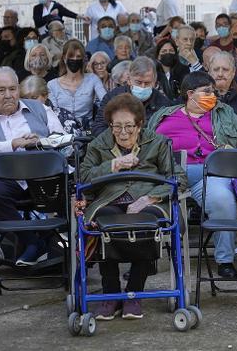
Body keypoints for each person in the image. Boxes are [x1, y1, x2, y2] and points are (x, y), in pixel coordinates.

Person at [148, 72, 237, 278]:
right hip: (174, 173)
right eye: (206, 91)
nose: (212, 95)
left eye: (213, 91)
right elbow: (146, 144)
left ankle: (225, 260)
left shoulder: (224, 112)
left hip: (212, 173)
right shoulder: (164, 115)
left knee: (224, 200)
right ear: (190, 94)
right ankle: (147, 258)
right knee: (150, 196)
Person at [79, 93, 185, 320]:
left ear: (140, 124)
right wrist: (112, 165)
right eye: (117, 127)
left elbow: (179, 178)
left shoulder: (157, 142)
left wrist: (151, 198)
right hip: (110, 200)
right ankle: (111, 294)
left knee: (148, 225)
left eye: (129, 126)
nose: (123, 132)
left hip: (148, 199)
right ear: (110, 125)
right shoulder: (99, 145)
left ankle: (133, 293)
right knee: (103, 226)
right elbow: (84, 178)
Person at [0, 67, 65, 266]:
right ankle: (33, 242)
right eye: (1, 90)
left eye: (12, 89)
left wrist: (41, 140)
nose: (8, 95)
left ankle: (62, 245)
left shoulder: (40, 108)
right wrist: (13, 144)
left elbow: (61, 139)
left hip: (43, 179)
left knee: (71, 186)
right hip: (8, 180)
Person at [91, 56, 172, 135]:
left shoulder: (163, 104)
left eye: (147, 83)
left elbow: (168, 131)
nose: (142, 87)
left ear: (154, 82)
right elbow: (99, 126)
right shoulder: (112, 98)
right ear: (129, 80)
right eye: (138, 82)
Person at [48, 40, 107, 128]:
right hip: (62, 133)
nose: (75, 59)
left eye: (78, 56)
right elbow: (54, 114)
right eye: (71, 56)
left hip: (88, 132)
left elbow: (105, 100)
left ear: (83, 59)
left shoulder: (93, 79)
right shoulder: (52, 85)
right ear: (64, 58)